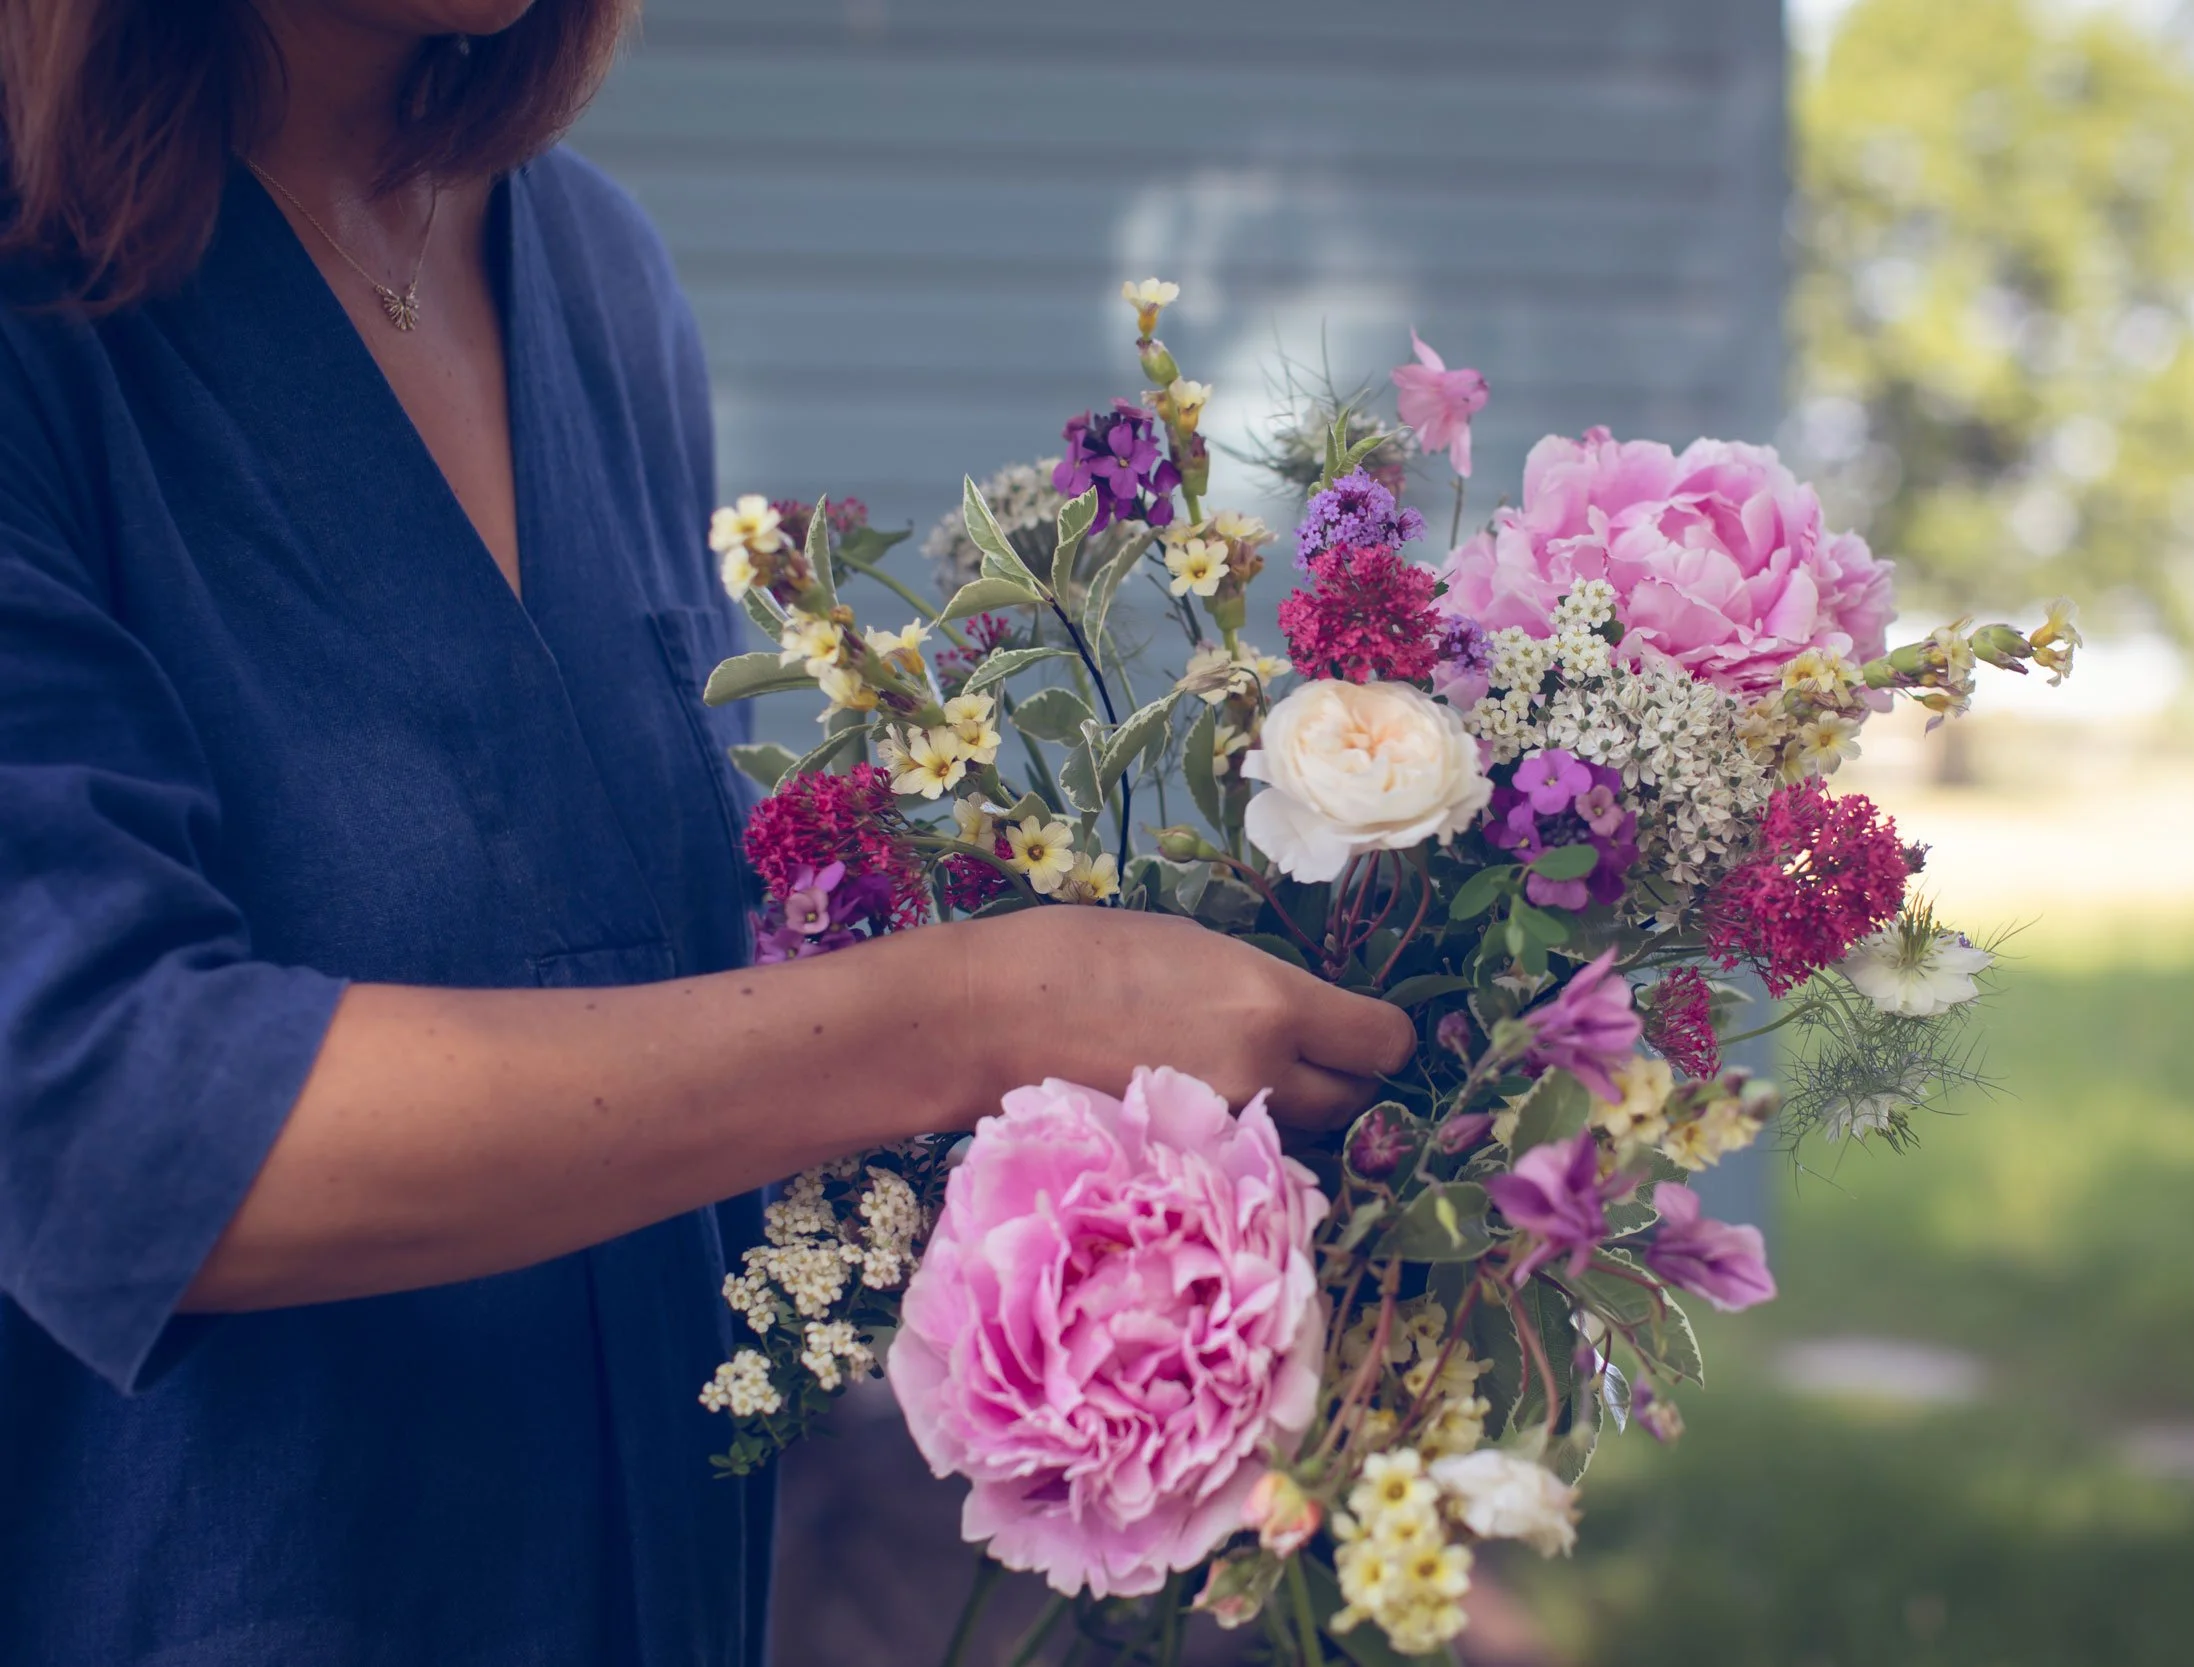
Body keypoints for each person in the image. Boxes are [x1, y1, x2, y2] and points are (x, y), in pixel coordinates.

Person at [0, 3, 1416, 1663]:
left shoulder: (594, 279)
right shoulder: (44, 295)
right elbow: (100, 1123)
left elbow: (679, 1009)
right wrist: (980, 1012)